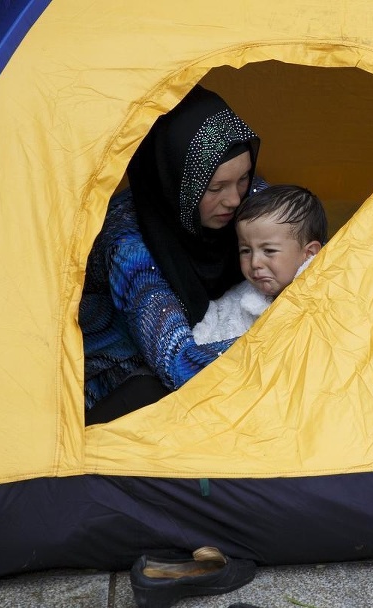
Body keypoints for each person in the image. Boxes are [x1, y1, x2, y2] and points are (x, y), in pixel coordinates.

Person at [80, 85, 264, 424]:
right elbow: (180, 366)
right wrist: (285, 335)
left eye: (244, 178)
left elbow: (296, 236)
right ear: (177, 182)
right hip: (123, 379)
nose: (236, 200)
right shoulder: (130, 252)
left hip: (209, 339)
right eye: (216, 188)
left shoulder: (242, 195)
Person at [192, 185, 327, 343]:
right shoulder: (232, 303)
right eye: (246, 251)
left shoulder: (328, 296)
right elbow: (204, 341)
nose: (255, 263)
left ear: (309, 254)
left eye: (269, 251)